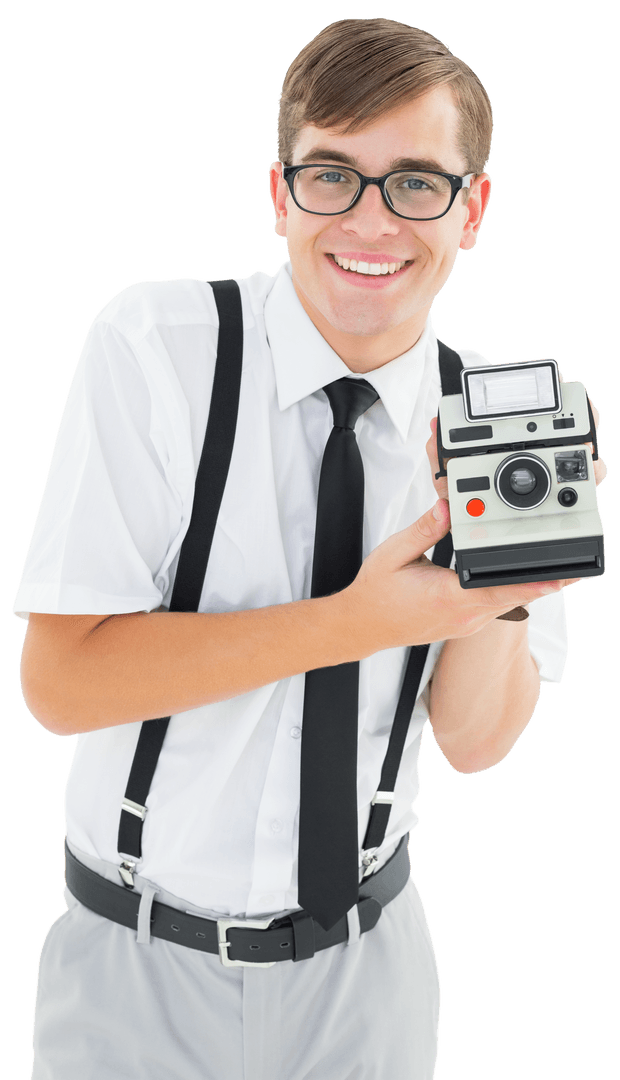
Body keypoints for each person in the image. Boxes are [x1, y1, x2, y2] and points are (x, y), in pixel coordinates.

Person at [13, 16, 605, 1080]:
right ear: (281, 193)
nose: (370, 221)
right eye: (333, 175)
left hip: (368, 972)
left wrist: (502, 588)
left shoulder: (488, 412)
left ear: (469, 210)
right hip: (136, 964)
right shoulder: (159, 349)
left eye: (415, 183)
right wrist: (360, 622)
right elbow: (61, 685)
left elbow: (473, 741)